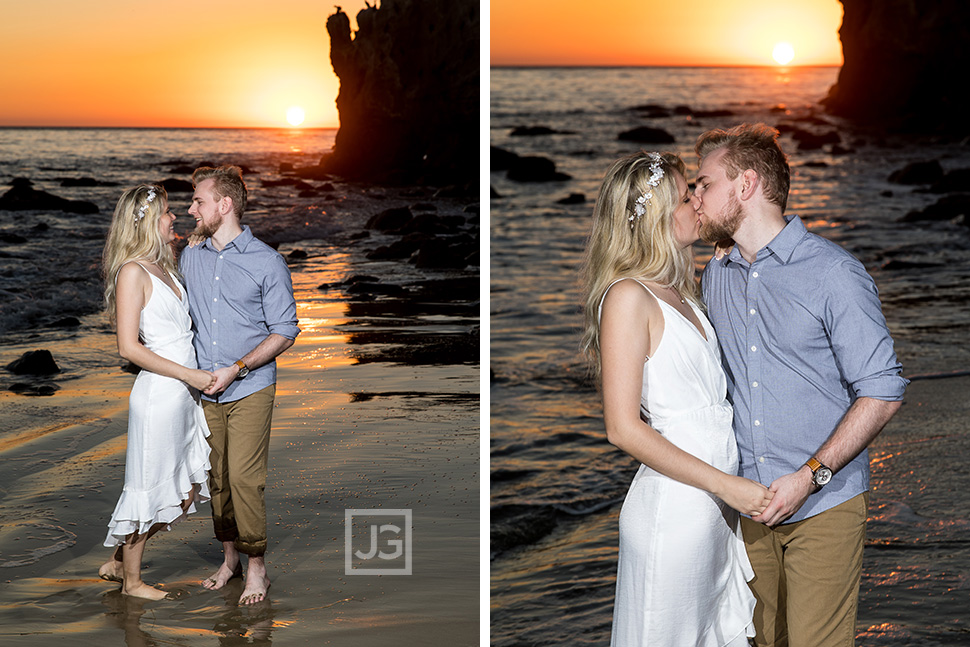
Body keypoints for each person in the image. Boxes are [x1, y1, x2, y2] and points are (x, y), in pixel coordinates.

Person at [693, 123, 908, 647]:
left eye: (704, 183)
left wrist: (809, 476)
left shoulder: (835, 273)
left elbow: (882, 391)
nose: (694, 195)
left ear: (745, 186)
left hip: (823, 504)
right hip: (746, 506)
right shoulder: (715, 274)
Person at [581, 151, 773, 646]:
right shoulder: (628, 296)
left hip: (713, 506)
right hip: (676, 509)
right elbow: (622, 428)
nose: (697, 203)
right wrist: (727, 487)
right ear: (657, 215)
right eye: (687, 195)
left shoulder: (681, 292)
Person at [179, 165, 300, 606]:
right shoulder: (190, 255)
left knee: (246, 481)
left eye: (199, 202)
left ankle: (257, 569)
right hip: (203, 389)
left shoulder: (266, 261)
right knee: (218, 480)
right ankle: (229, 559)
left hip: (249, 386)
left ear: (223, 206)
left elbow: (285, 330)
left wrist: (237, 368)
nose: (191, 209)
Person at [99, 184, 215, 600]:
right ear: (148, 220)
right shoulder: (133, 271)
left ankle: (117, 560)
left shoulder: (163, 265)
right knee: (150, 485)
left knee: (181, 489)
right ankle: (132, 583)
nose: (175, 217)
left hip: (183, 391)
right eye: (167, 213)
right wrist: (192, 375)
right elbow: (129, 348)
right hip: (160, 394)